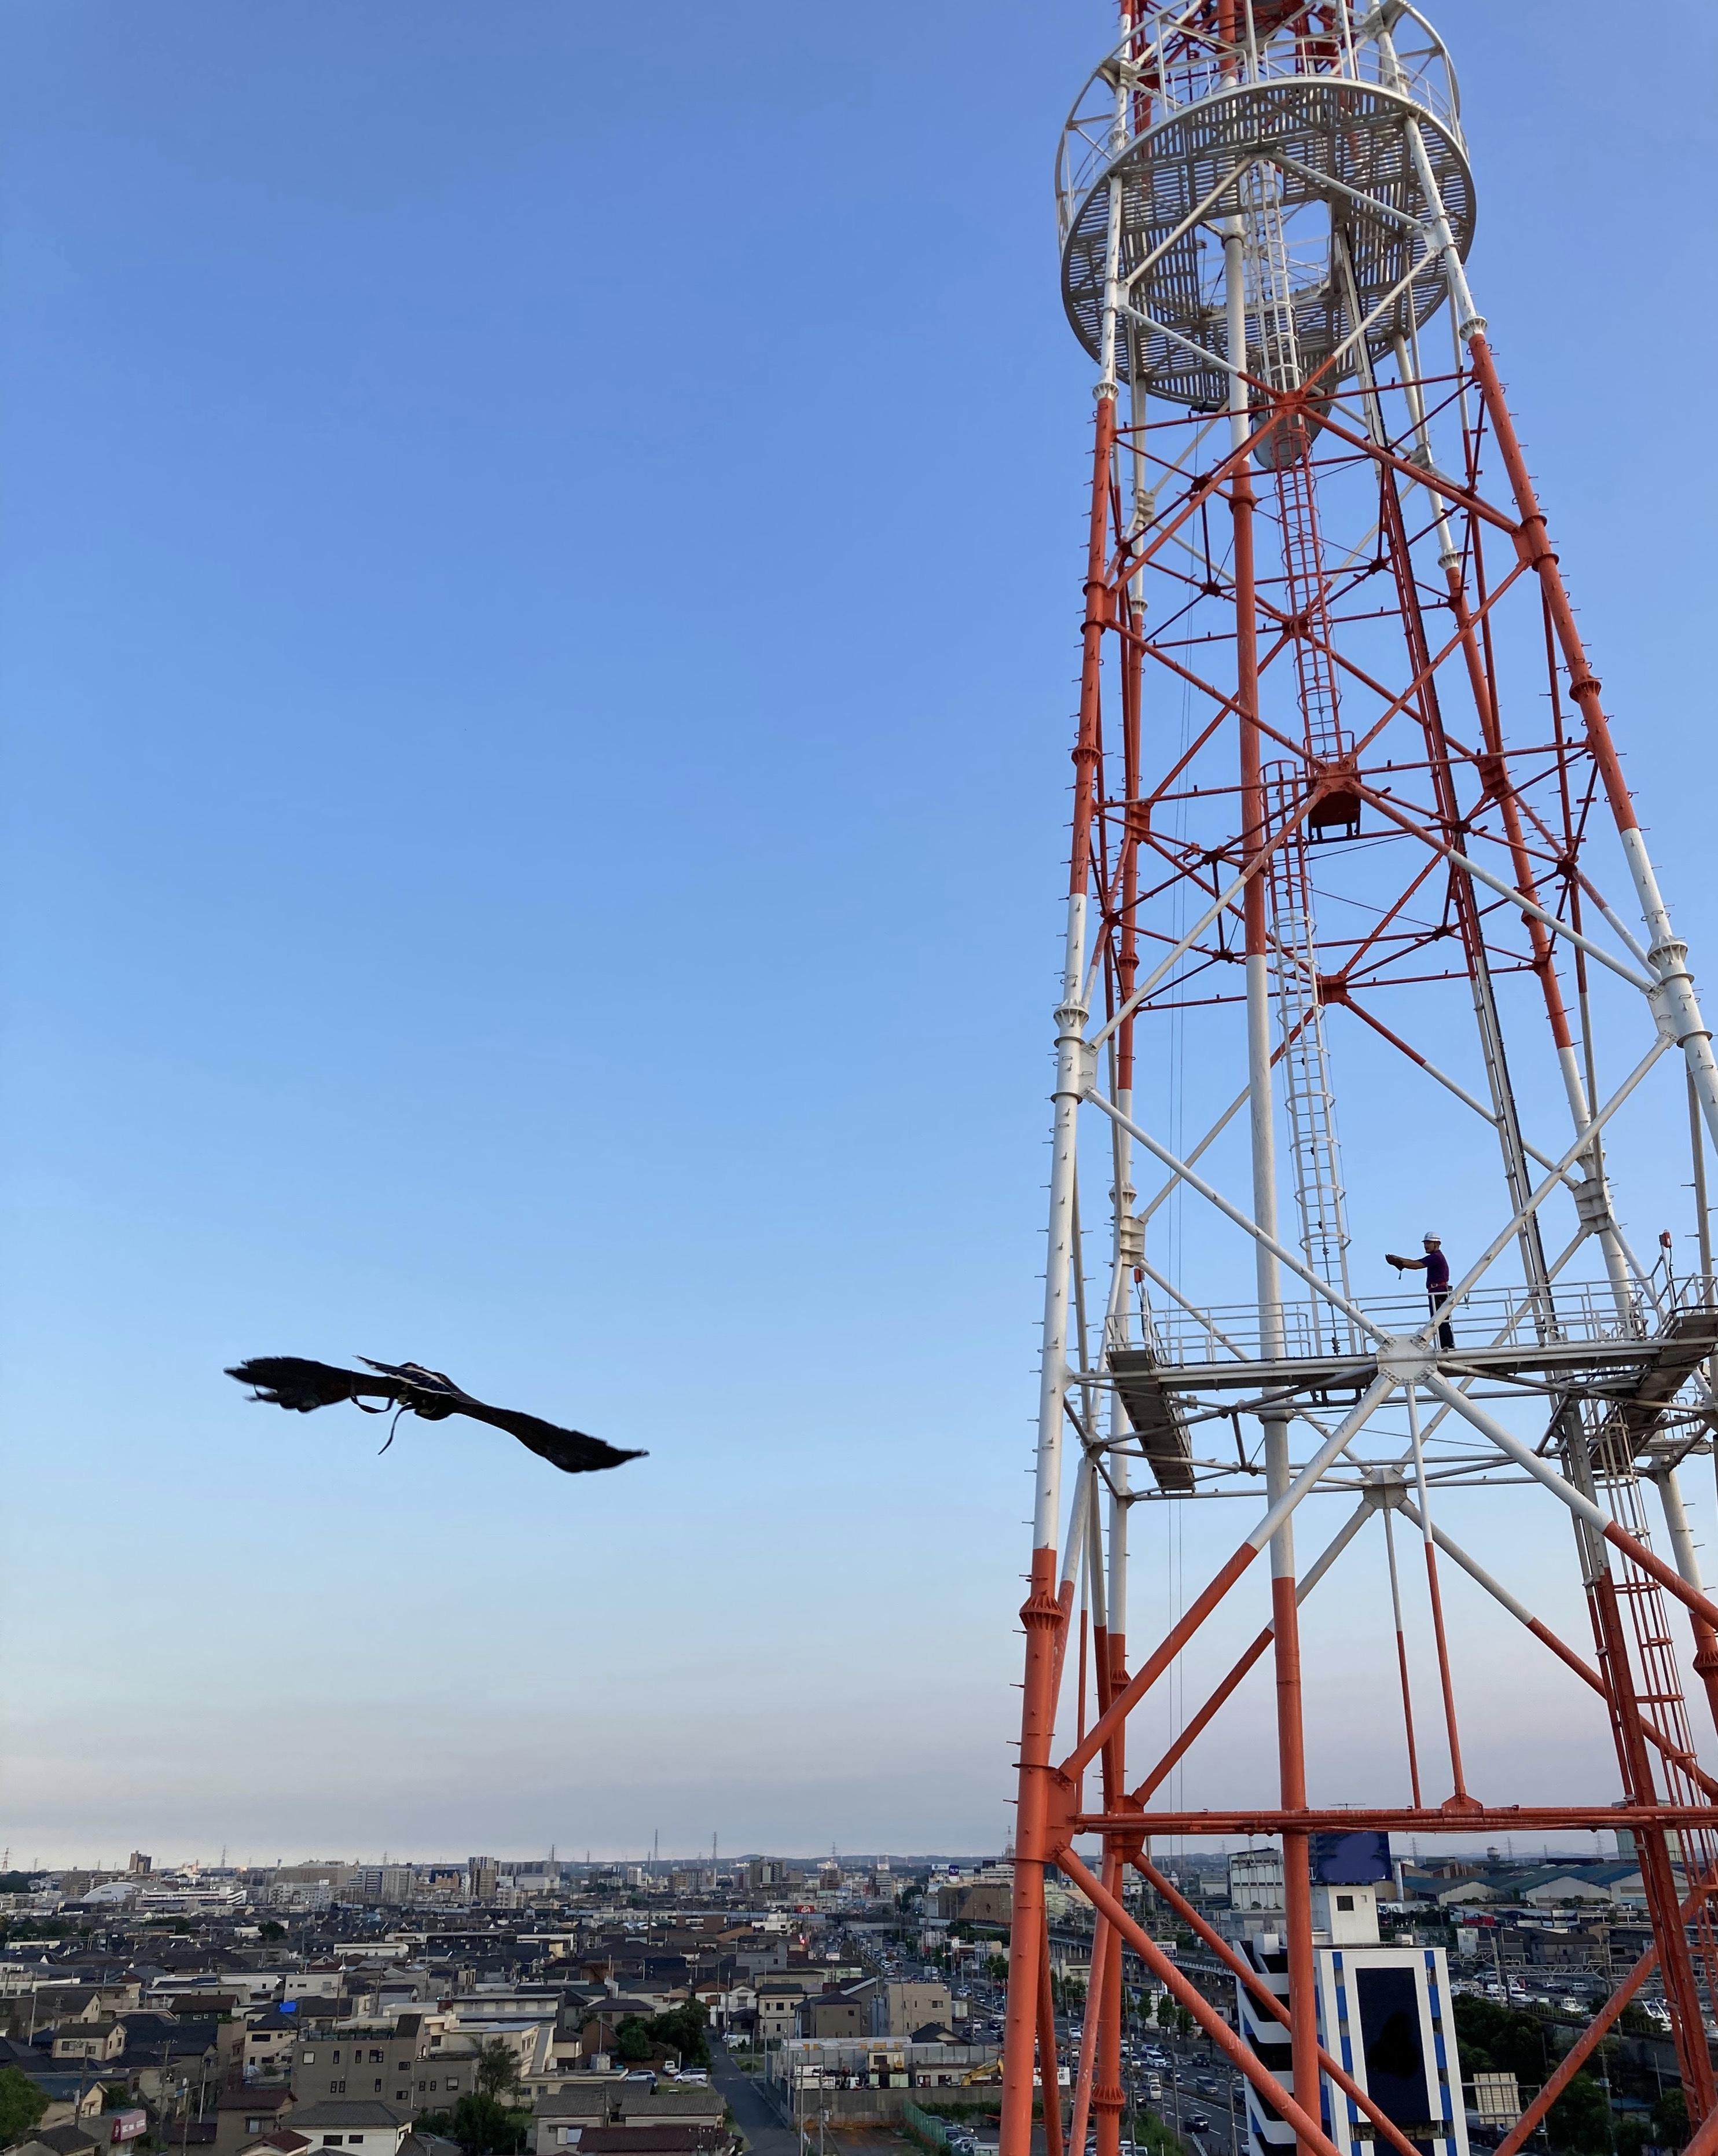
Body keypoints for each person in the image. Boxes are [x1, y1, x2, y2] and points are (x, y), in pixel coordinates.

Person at [1386, 1232, 1453, 1349]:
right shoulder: (1435, 1257)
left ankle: (1447, 1346)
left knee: (1441, 1321)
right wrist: (1400, 1260)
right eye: (1425, 1243)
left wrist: (1400, 1261)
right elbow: (1415, 1262)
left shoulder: (1436, 1257)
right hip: (1436, 1292)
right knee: (1440, 1321)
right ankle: (1446, 1346)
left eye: (1428, 1243)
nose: (1426, 1245)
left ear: (1437, 1244)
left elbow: (1416, 1265)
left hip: (1438, 1292)